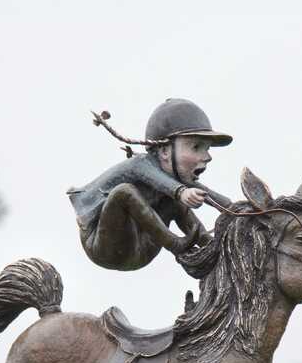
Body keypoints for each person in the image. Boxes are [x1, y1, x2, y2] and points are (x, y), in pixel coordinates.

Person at [67, 98, 234, 271]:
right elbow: (165, 184)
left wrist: (233, 208)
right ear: (164, 151)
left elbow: (206, 192)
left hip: (143, 247)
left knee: (171, 201)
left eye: (207, 149)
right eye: (196, 147)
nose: (207, 156)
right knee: (123, 192)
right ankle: (175, 243)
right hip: (105, 247)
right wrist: (182, 192)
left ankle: (212, 247)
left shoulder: (176, 175)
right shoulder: (140, 164)